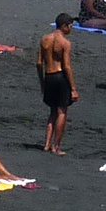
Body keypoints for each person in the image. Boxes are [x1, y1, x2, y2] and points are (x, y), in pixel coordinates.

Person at [37, 13, 77, 154]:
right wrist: (73, 88)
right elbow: (66, 66)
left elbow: (39, 63)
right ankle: (56, 147)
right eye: (70, 26)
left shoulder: (44, 39)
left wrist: (42, 81)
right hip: (60, 77)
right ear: (64, 26)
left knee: (52, 112)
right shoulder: (65, 43)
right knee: (62, 112)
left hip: (48, 76)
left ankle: (47, 144)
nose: (71, 29)